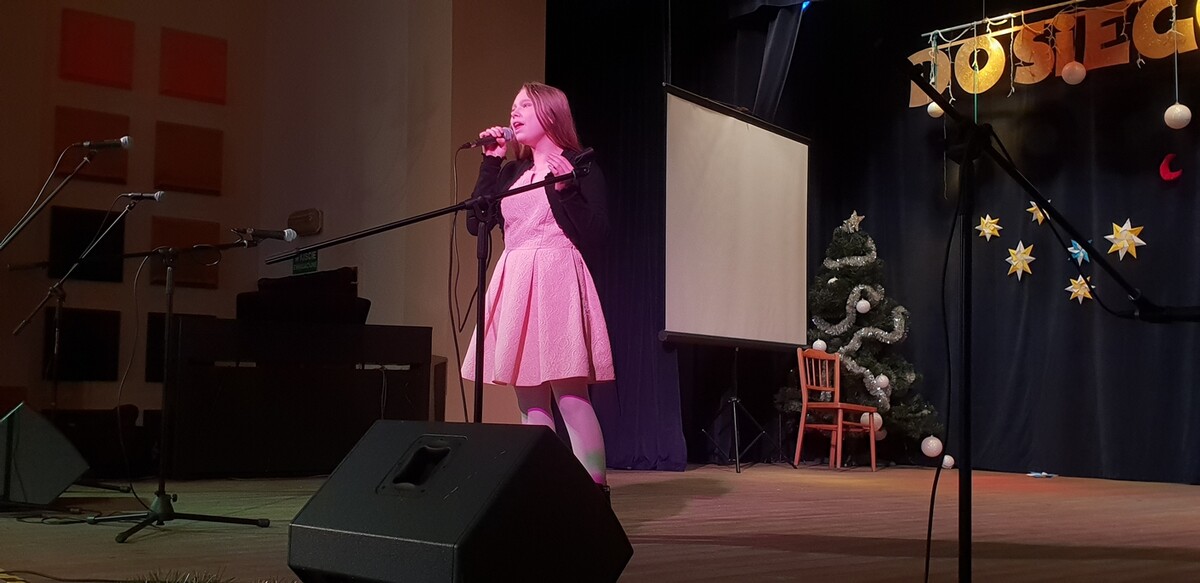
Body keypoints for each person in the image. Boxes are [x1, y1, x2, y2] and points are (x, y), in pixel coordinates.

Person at [462, 82, 614, 498]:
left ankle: (594, 495)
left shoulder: (579, 165)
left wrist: (567, 191)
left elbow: (598, 234)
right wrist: (491, 163)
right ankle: (545, 495)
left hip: (556, 275)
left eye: (525, 105)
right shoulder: (512, 172)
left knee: (570, 395)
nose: (514, 113)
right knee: (529, 400)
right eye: (513, 106)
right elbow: (477, 223)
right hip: (516, 279)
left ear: (550, 113)